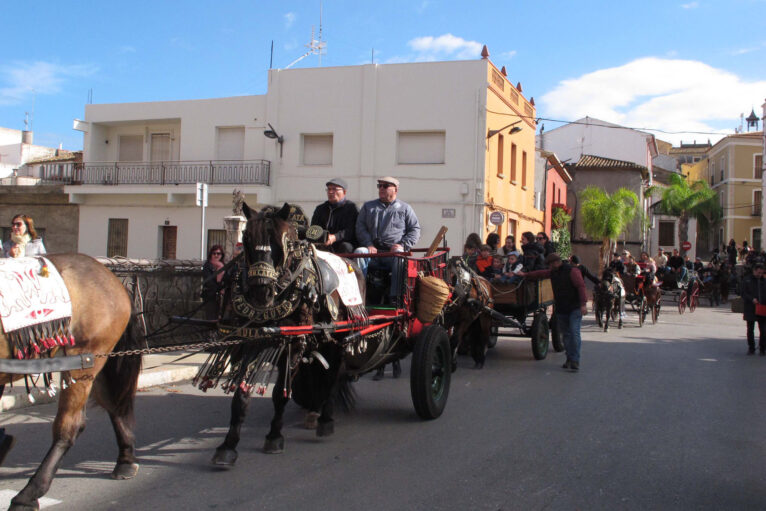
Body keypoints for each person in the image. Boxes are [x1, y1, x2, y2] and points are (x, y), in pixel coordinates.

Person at [517, 253, 588, 372]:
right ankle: (570, 358)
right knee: (566, 335)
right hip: (561, 308)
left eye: (550, 265)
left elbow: (581, 286)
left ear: (556, 262)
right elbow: (541, 273)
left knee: (574, 333)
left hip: (574, 308)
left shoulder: (573, 271)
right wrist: (526, 275)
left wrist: (583, 304)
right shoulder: (553, 272)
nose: (549, 268)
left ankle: (575, 360)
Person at [354, 176, 421, 299]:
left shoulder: (405, 208)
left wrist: (403, 245)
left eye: (385, 186)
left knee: (400, 256)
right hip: (373, 252)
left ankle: (396, 297)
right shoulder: (368, 207)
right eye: (380, 186)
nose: (381, 189)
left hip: (392, 254)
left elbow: (415, 230)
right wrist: (368, 243)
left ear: (395, 189)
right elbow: (360, 227)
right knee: (359, 252)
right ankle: (359, 295)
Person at [310, 178, 359, 253]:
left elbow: (351, 231)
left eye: (334, 189)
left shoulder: (351, 208)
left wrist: (335, 237)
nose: (331, 192)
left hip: (342, 245)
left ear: (344, 192)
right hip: (323, 244)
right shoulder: (320, 209)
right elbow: (314, 228)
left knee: (346, 246)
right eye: (329, 189)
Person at [741, 263, 766, 355]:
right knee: (750, 329)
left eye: (761, 273)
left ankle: (763, 348)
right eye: (758, 272)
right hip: (750, 308)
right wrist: (752, 299)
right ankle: (751, 348)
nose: (760, 275)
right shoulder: (747, 280)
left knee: (763, 330)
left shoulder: (764, 280)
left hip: (762, 308)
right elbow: (743, 293)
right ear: (754, 271)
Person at [201, 244, 226, 320]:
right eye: (214, 253)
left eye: (218, 253)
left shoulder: (223, 266)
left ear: (221, 255)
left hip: (222, 297)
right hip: (210, 295)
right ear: (211, 254)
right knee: (211, 317)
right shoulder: (207, 265)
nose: (216, 255)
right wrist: (218, 289)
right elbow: (208, 281)